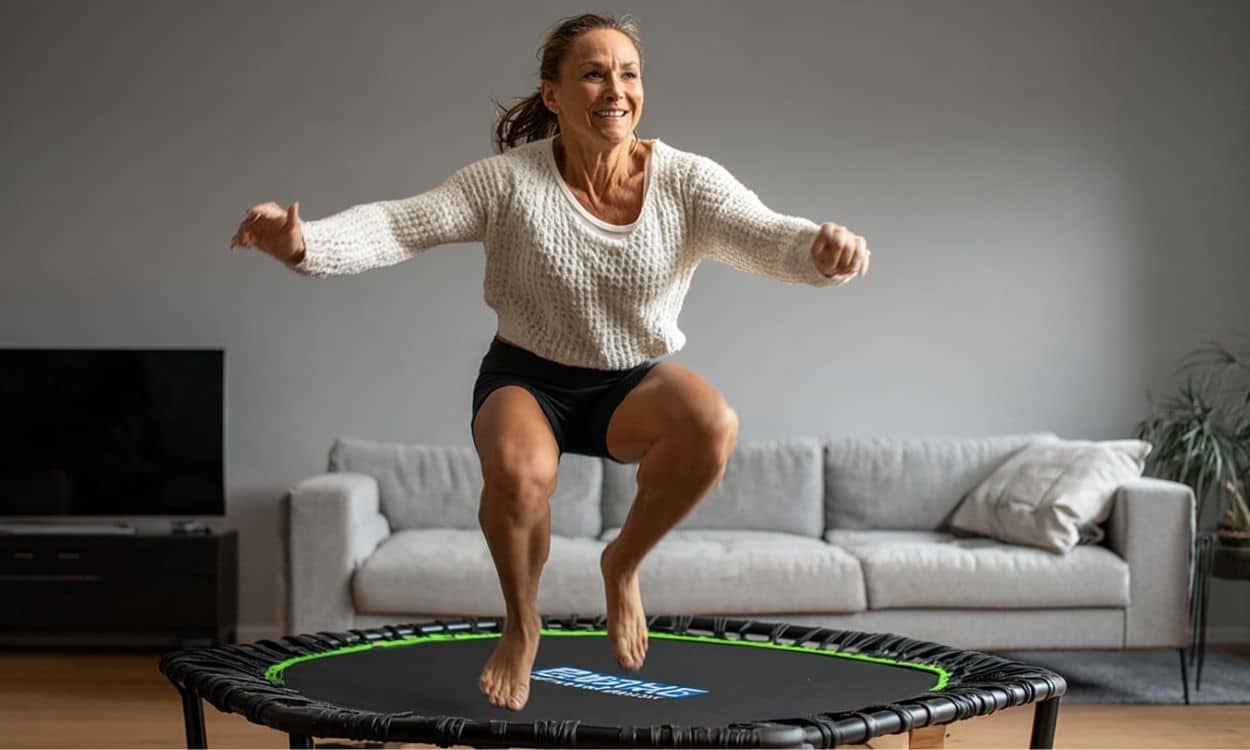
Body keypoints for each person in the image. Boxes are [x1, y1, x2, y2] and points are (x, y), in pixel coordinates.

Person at [229, 12, 870, 712]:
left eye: (629, 74)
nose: (616, 90)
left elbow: (768, 235)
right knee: (517, 473)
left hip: (631, 383)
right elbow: (400, 224)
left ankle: (621, 566)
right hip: (527, 378)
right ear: (553, 95)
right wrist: (305, 244)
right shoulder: (507, 183)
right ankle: (522, 622)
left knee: (712, 423)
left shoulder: (685, 182)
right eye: (593, 74)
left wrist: (821, 251)